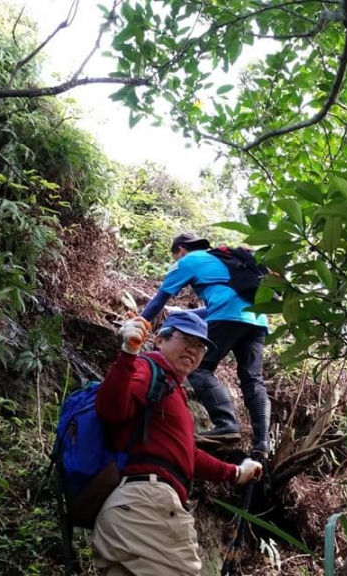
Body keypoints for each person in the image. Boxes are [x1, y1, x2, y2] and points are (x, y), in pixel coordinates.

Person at [92, 311, 263, 576]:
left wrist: (235, 473)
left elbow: (186, 454)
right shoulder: (148, 369)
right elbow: (110, 409)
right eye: (186, 340)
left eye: (200, 347)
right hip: (147, 506)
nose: (193, 351)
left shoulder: (170, 390)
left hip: (131, 510)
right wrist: (128, 352)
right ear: (160, 340)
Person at [139, 232, 271, 458]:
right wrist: (184, 314)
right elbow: (216, 303)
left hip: (227, 314)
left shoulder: (187, 261)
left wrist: (138, 324)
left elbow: (159, 300)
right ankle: (262, 442)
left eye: (175, 256)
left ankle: (226, 423)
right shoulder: (221, 260)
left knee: (199, 368)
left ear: (180, 250)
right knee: (253, 380)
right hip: (257, 319)